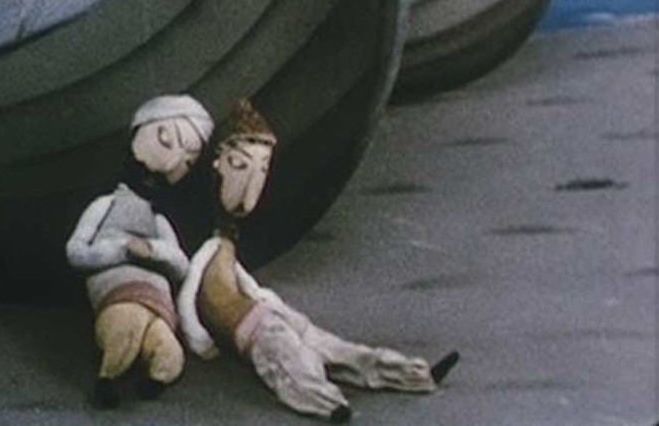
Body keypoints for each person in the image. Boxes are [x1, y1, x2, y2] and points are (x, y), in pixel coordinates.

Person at [177, 99, 459, 422]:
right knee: (300, 360)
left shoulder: (222, 242)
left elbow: (235, 282)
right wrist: (199, 339)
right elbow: (191, 291)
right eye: (241, 166)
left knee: (325, 352)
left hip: (266, 317)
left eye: (262, 169)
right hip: (257, 327)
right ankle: (337, 401)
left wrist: (258, 303)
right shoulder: (208, 246)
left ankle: (409, 375)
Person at [65, 94, 214, 408]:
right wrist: (120, 250)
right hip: (118, 292)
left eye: (187, 162)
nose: (170, 165)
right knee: (125, 325)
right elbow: (76, 252)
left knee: (169, 348)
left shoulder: (158, 220)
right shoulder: (105, 205)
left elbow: (181, 265)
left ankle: (156, 378)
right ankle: (108, 378)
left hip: (158, 300)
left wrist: (154, 250)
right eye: (165, 139)